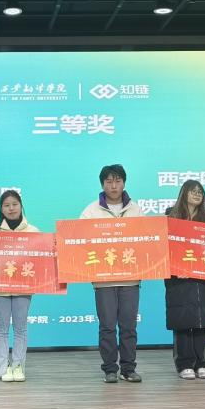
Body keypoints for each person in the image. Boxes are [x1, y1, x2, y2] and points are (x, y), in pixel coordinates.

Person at [81, 163, 145, 383]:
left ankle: (128, 368)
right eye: (109, 181)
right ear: (102, 184)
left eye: (118, 180)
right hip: (103, 280)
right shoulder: (91, 211)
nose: (114, 185)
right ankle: (110, 369)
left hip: (130, 278)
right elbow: (80, 241)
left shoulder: (136, 210)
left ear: (124, 183)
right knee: (107, 326)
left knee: (129, 327)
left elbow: (146, 240)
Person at [164, 180, 205, 380]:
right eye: (193, 191)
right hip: (178, 279)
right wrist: (177, 268)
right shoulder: (170, 219)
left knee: (202, 320)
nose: (197, 194)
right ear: (183, 193)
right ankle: (184, 364)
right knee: (183, 320)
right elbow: (163, 249)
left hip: (203, 280)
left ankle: (201, 363)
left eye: (200, 192)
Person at [0, 190, 41, 382]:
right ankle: (3, 368)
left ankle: (18, 366)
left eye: (14, 204)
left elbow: (43, 257)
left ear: (21, 206)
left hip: (23, 287)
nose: (11, 208)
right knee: (2, 328)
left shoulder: (34, 232)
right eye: (6, 205)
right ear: (1, 209)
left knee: (20, 328)